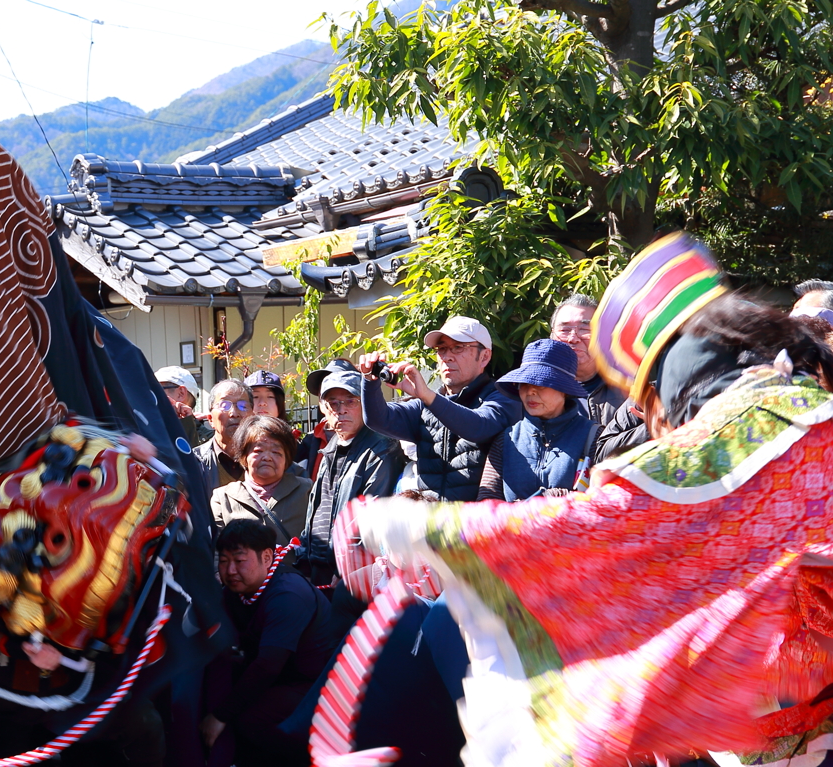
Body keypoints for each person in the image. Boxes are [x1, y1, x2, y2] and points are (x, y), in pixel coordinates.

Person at [348, 233, 833, 765]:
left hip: (785, 677)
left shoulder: (734, 430)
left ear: (685, 375)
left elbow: (590, 524)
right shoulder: (808, 407)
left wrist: (417, 529)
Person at [202, 520, 338, 767]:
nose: (230, 570)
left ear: (266, 557)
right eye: (223, 561)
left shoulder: (288, 595)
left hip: (314, 685)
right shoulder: (238, 589)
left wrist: (220, 715)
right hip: (278, 676)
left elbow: (268, 665)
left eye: (239, 561)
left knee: (249, 718)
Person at [358, 316, 521, 501]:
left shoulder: (502, 397)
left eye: (458, 347)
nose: (447, 356)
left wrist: (428, 396)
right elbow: (377, 419)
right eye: (441, 349)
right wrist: (369, 381)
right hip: (431, 523)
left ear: (484, 356)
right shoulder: (426, 404)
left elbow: (479, 426)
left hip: (477, 524)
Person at [301, 370, 404, 586]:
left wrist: (347, 572)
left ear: (365, 404)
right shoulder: (330, 448)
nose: (342, 410)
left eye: (351, 401)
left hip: (350, 577)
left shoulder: (382, 448)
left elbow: (371, 519)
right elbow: (316, 511)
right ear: (323, 408)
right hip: (317, 570)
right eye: (333, 403)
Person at [477, 339, 598, 501]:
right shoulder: (507, 439)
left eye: (541, 384)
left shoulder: (594, 437)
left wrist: (556, 498)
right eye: (524, 384)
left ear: (564, 390)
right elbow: (487, 502)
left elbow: (604, 500)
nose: (530, 392)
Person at [211, 416, 311, 545]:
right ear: (244, 455)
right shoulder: (223, 497)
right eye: (258, 450)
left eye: (276, 452)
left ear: (287, 458)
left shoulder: (307, 491)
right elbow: (217, 553)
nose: (267, 458)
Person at [549, 293, 626, 427]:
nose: (573, 338)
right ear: (551, 335)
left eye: (584, 329)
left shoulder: (628, 385)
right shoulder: (538, 387)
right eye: (565, 330)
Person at [295, 359, 357, 480]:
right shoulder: (309, 441)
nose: (341, 408)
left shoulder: (377, 443)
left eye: (349, 400)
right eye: (330, 398)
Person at [194, 380, 252, 495]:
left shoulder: (268, 459)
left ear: (253, 416)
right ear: (210, 419)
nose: (234, 413)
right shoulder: (195, 461)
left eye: (243, 406)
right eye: (224, 405)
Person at [155, 365, 212, 447]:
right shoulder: (149, 430)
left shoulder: (211, 440)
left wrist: (186, 424)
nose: (152, 396)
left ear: (181, 393)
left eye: (157, 390)